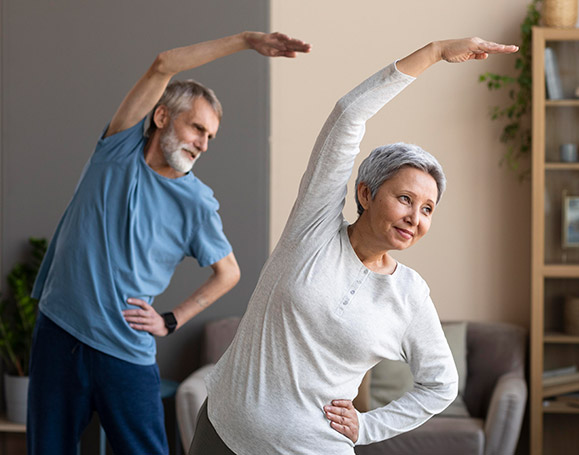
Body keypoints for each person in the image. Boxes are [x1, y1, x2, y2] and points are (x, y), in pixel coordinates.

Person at [188, 37, 518, 454]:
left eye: (428, 208)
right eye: (404, 199)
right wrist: (433, 53)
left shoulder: (409, 294)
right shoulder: (313, 230)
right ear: (365, 193)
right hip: (221, 435)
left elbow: (441, 384)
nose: (416, 217)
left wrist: (368, 426)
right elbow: (348, 114)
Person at [26, 31, 311, 455]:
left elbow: (229, 272)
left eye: (210, 137)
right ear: (161, 117)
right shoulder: (117, 149)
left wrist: (171, 319)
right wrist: (248, 41)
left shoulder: (197, 203)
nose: (203, 143)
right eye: (197, 127)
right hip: (59, 333)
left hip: (124, 351)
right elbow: (164, 63)